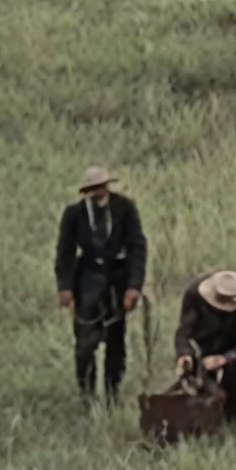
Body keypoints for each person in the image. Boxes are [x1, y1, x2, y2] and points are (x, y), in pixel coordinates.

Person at [55, 164, 147, 406]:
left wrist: (134, 286)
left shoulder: (125, 208)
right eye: (91, 189)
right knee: (85, 343)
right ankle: (86, 394)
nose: (96, 193)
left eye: (100, 187)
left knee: (116, 342)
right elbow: (64, 252)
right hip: (87, 280)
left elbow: (137, 246)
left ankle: (112, 393)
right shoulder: (74, 214)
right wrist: (64, 287)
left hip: (117, 280)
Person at [174, 269, 236, 425]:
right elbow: (184, 331)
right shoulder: (195, 293)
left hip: (230, 350)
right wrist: (184, 354)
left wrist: (226, 358)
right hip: (200, 347)